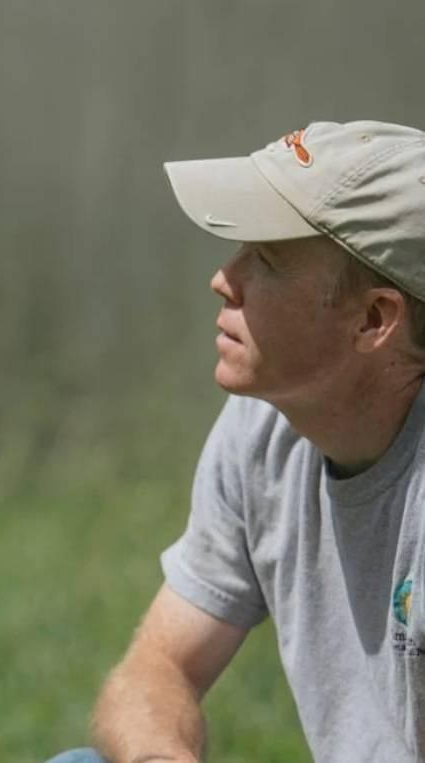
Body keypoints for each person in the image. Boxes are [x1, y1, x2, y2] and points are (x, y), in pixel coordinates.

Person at [52, 120, 425, 763]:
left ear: (373, 320)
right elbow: (157, 668)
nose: (224, 278)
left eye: (269, 261)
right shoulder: (265, 428)